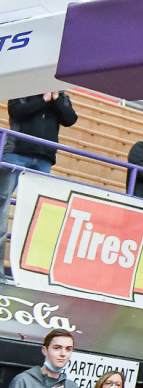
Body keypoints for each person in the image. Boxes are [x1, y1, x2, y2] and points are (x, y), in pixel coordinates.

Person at [1, 93, 78, 264]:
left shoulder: (60, 95)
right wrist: (43, 100)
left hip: (44, 158)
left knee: (35, 212)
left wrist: (55, 99)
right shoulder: (25, 88)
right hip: (16, 153)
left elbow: (70, 119)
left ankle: (24, 267)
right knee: (2, 204)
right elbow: (16, 111)